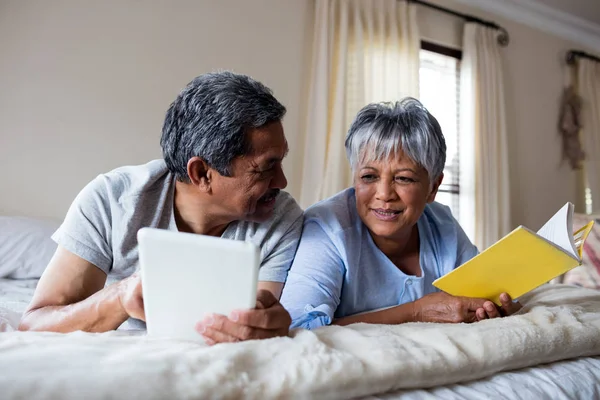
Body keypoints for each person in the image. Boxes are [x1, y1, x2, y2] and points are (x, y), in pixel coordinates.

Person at [19, 71, 302, 344]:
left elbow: (253, 328)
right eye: (266, 168)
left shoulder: (281, 217)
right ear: (202, 173)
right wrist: (120, 297)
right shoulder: (111, 201)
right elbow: (36, 323)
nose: (283, 181)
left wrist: (265, 326)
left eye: (280, 161)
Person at [280, 98, 521, 329]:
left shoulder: (442, 224)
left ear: (433, 187)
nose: (384, 194)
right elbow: (298, 329)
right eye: (369, 176)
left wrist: (493, 307)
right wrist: (416, 312)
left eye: (403, 178)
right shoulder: (326, 228)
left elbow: (478, 296)